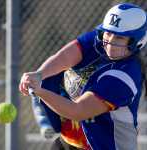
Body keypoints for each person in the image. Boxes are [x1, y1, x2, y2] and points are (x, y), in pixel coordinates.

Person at [19, 3, 147, 150]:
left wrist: (39, 91)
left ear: (137, 42)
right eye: (108, 33)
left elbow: (78, 111)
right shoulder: (99, 40)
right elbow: (66, 56)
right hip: (71, 142)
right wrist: (39, 74)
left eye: (119, 37)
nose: (110, 41)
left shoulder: (125, 75)